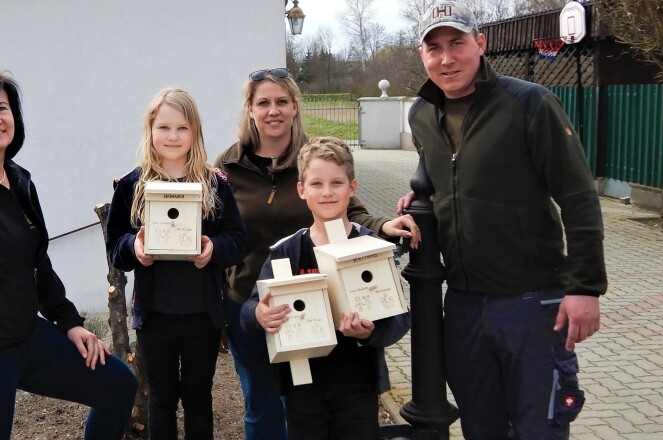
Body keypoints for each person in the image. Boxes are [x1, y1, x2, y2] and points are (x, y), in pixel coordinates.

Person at [400, 2, 607, 438]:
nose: (446, 57)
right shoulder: (421, 114)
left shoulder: (529, 104)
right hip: (463, 304)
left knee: (538, 427)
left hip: (531, 303)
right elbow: (451, 178)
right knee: (481, 427)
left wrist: (584, 287)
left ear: (480, 44)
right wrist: (425, 198)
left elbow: (578, 196)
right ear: (422, 56)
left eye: (456, 43)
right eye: (433, 48)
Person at [0, 71, 138, 440]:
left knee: (116, 386)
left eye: (2, 108)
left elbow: (38, 261)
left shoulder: (18, 180)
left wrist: (69, 322)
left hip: (27, 337)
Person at [214, 67, 419, 440]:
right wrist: (226, 311)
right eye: (263, 102)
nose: (273, 110)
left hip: (325, 307)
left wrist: (384, 226)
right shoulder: (226, 167)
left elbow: (349, 211)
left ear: (295, 106)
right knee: (262, 405)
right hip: (255, 299)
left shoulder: (316, 157)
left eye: (282, 101)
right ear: (250, 108)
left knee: (313, 406)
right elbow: (215, 233)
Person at [242, 137, 411, 440]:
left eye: (337, 182)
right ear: (302, 190)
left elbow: (399, 318)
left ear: (353, 188)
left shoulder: (370, 247)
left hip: (358, 384)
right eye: (317, 184)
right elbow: (249, 309)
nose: (328, 192)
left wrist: (369, 333)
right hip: (303, 386)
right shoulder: (286, 252)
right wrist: (259, 314)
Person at [105, 88, 247, 440]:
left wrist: (212, 247)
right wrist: (134, 249)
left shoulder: (214, 184)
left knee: (198, 396)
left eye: (182, 128)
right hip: (155, 316)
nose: (172, 136)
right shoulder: (131, 186)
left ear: (195, 132)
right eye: (164, 127)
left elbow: (237, 241)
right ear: (150, 130)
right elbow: (115, 248)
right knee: (163, 397)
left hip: (203, 314)